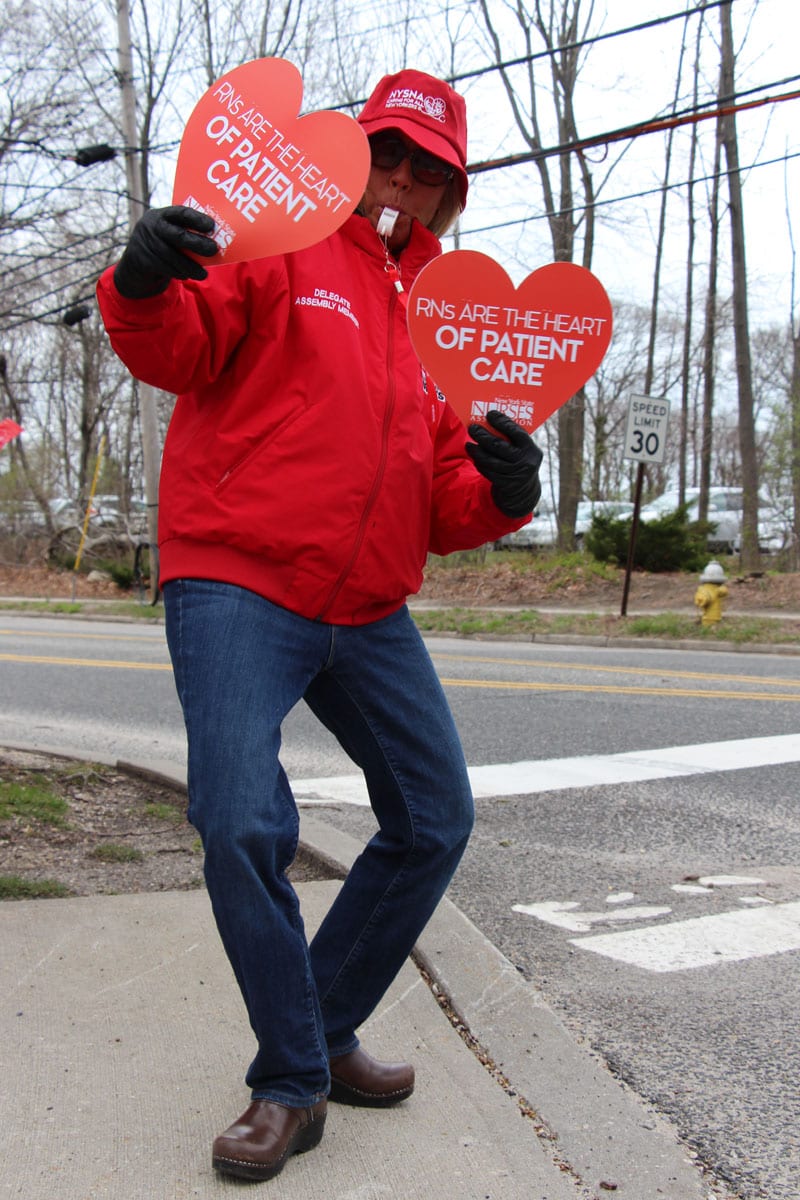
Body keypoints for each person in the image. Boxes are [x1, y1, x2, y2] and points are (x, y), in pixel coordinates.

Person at [97, 67, 542, 1183]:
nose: (402, 182)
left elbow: (443, 498)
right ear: (354, 156)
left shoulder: (445, 317)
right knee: (242, 818)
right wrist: (142, 282)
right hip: (238, 576)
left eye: (429, 173)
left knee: (434, 816)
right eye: (387, 154)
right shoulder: (279, 239)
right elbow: (179, 344)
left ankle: (321, 1029)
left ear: (450, 198)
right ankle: (291, 1083)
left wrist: (504, 489)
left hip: (368, 604)